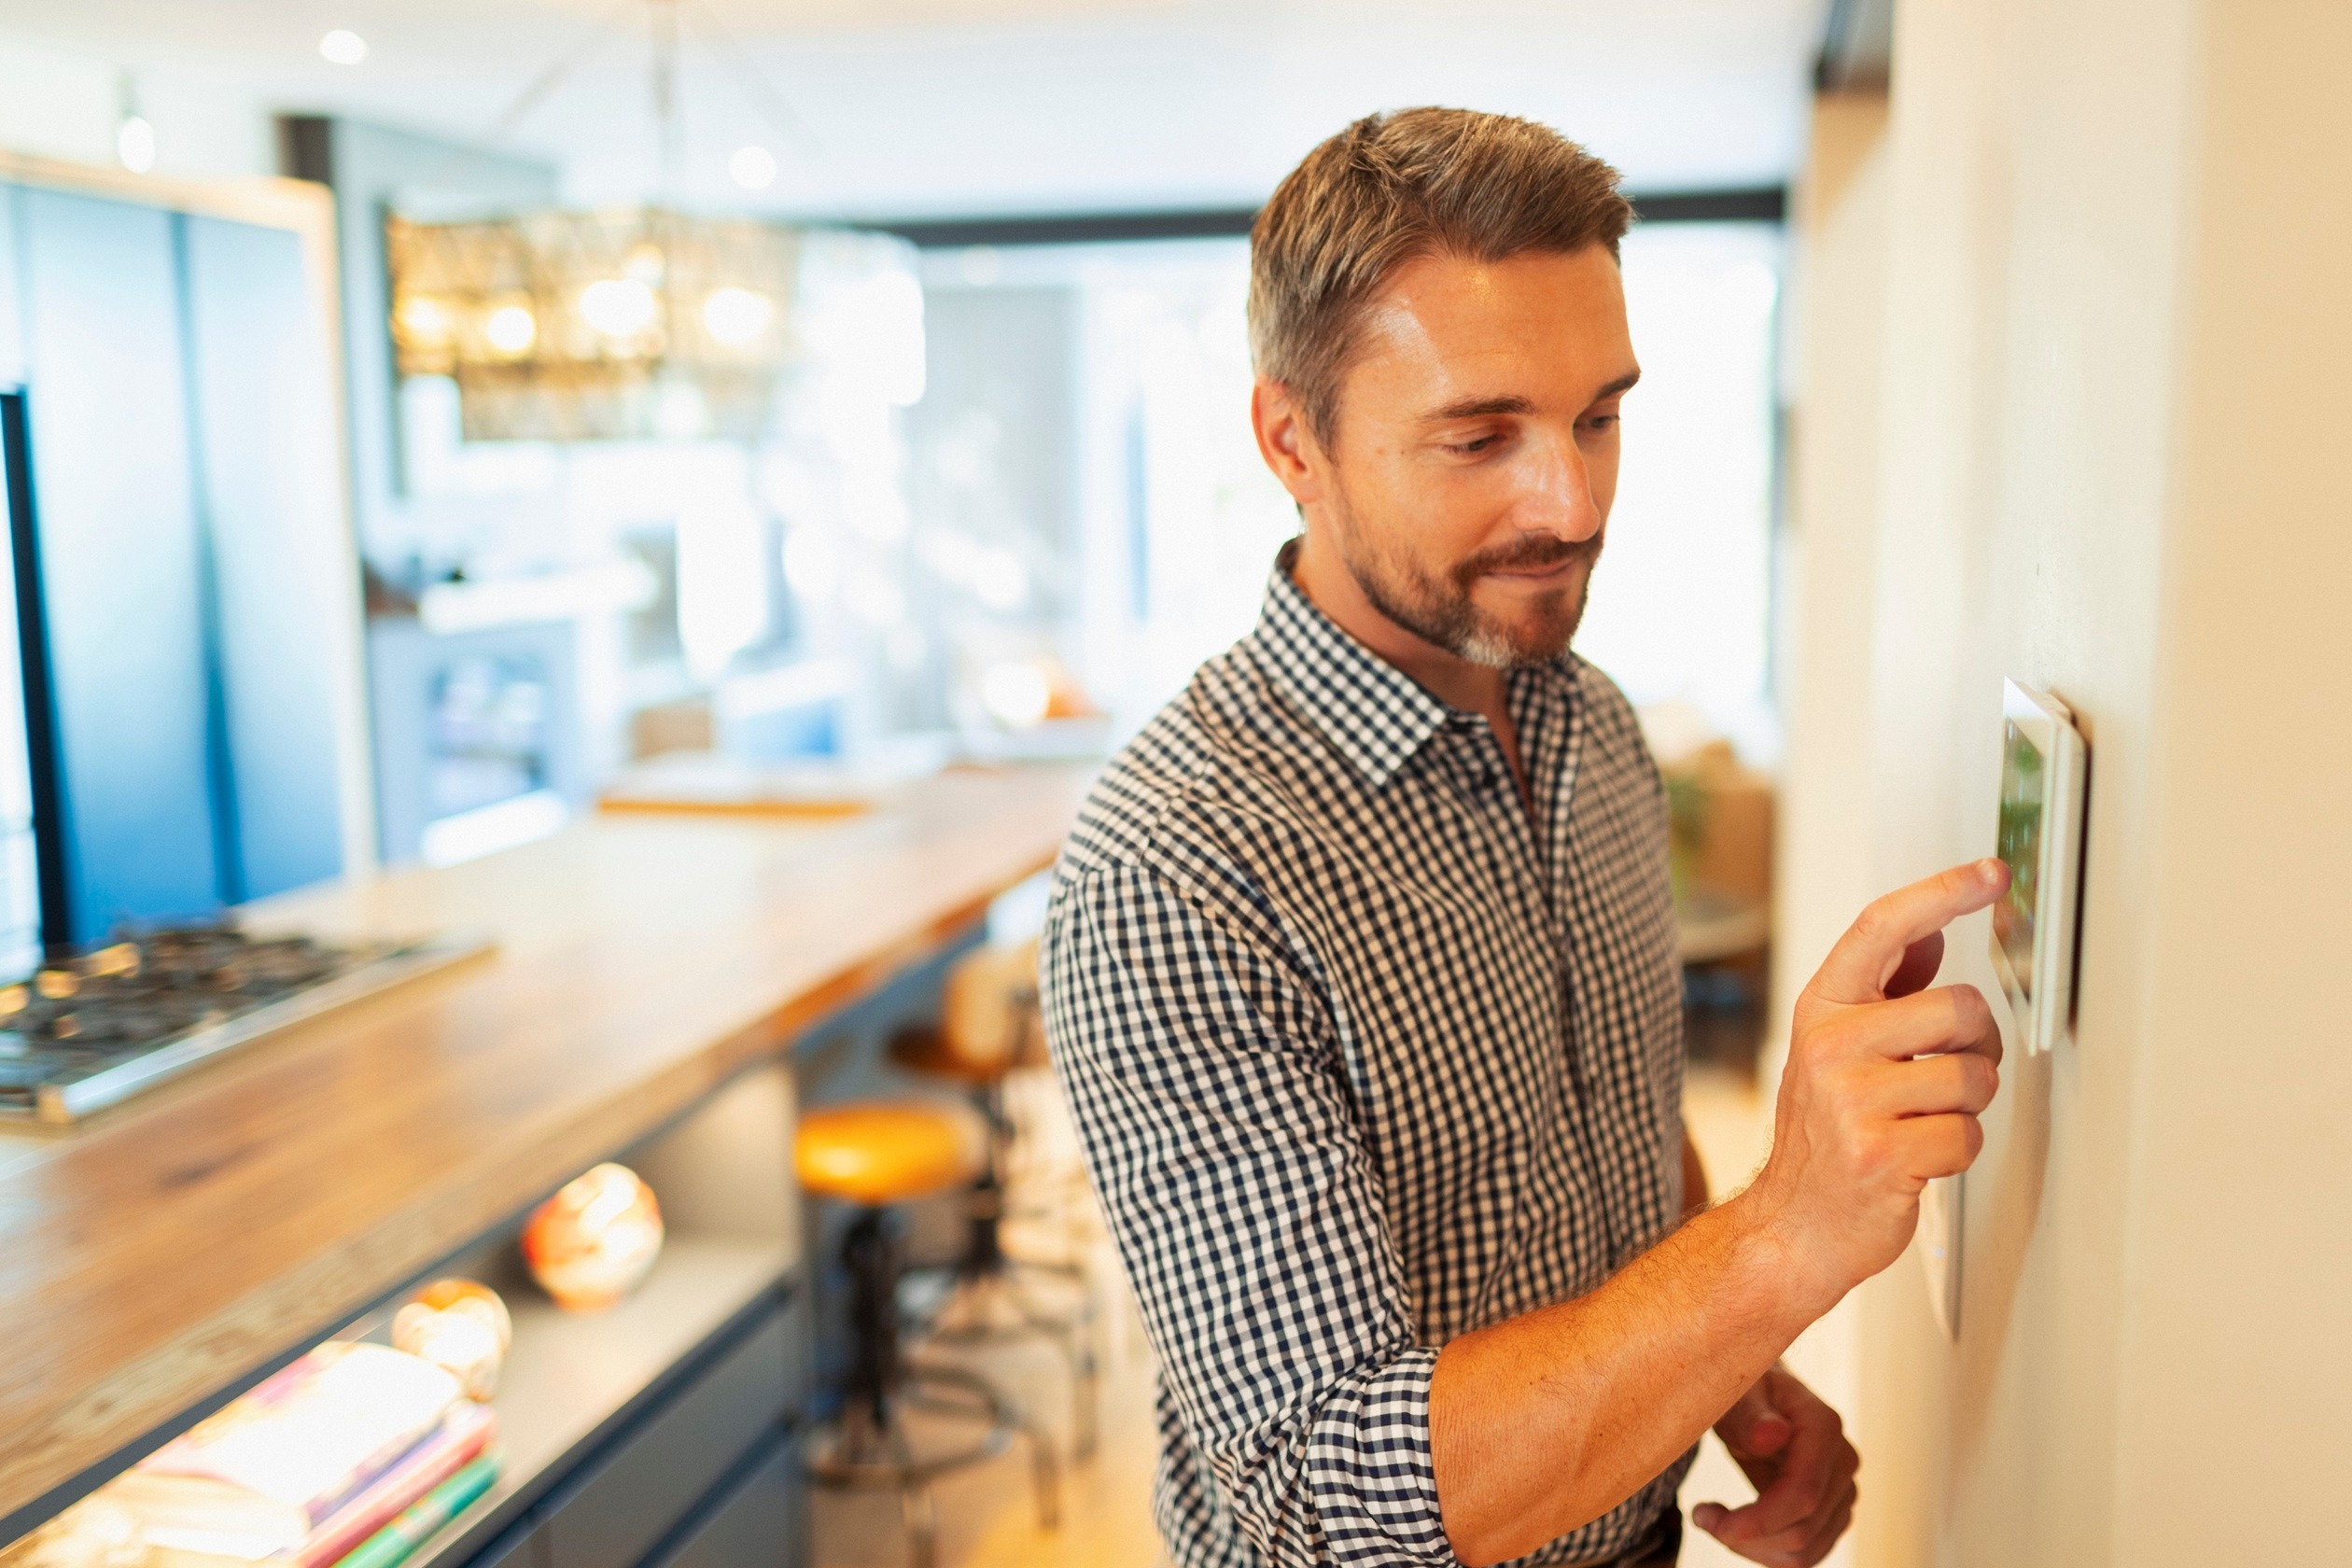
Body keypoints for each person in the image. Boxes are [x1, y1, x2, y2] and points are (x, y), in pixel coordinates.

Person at [1039, 107, 2006, 1568]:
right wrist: (1785, 1234)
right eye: (1480, 436)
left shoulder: (1587, 724)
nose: (1572, 503)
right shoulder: (1176, 872)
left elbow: (1609, 1121)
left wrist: (1732, 1379)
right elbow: (1325, 1499)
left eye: (1599, 416)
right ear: (1293, 439)